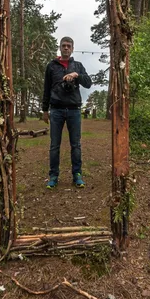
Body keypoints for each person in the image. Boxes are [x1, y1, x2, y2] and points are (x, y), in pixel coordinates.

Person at [42, 36, 92, 189]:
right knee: (54, 145)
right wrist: (45, 110)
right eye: (63, 45)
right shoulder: (51, 66)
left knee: (75, 145)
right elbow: (46, 89)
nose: (66, 48)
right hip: (56, 110)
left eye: (68, 46)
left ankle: (77, 175)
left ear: (72, 48)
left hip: (74, 111)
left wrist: (76, 75)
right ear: (60, 47)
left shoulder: (78, 65)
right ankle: (53, 176)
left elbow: (88, 83)